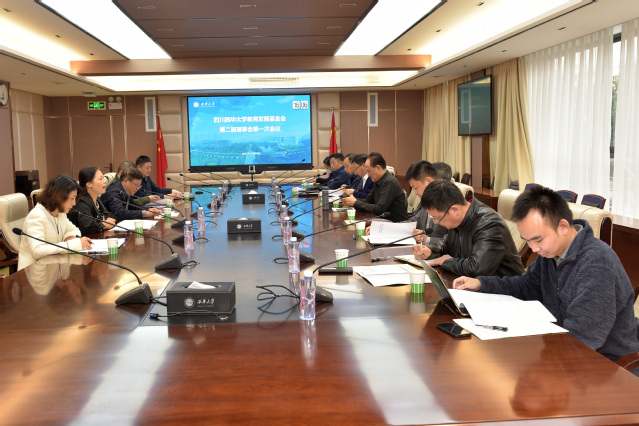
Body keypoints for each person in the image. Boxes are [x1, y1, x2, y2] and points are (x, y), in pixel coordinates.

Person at [453, 187, 639, 365]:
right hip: (561, 348)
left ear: (563, 226)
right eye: (527, 241)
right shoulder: (551, 253)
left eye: (538, 239)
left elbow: (581, 340)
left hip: (605, 366)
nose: (534, 249)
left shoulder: (596, 264)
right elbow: (525, 287)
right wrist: (481, 284)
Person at [413, 180, 524, 277]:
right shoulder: (457, 218)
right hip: (471, 284)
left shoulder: (489, 224)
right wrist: (431, 251)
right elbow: (447, 244)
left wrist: (446, 262)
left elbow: (477, 268)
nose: (436, 223)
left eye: (437, 218)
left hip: (502, 290)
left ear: (455, 210)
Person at [18, 174, 93, 270]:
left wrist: (69, 236)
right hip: (35, 272)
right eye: (72, 198)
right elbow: (37, 251)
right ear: (59, 196)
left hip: (54, 268)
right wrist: (72, 244)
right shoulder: (37, 215)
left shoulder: (60, 214)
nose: (74, 203)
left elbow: (74, 230)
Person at [342, 152, 409, 222]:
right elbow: (370, 200)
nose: (368, 175)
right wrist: (352, 201)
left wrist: (356, 203)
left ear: (378, 168)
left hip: (396, 223)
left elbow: (379, 209)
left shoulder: (389, 182)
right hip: (383, 221)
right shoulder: (378, 180)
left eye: (369, 171)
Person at [402, 161, 448, 245]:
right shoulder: (426, 200)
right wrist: (386, 229)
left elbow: (452, 243)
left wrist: (427, 240)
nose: (415, 193)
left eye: (416, 188)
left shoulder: (448, 201)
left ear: (428, 181)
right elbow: (413, 222)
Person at [69, 166, 117, 235]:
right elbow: (87, 226)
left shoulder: (96, 199)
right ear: (89, 184)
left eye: (103, 178)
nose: (104, 181)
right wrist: (104, 224)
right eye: (100, 179)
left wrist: (106, 221)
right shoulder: (81, 201)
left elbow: (110, 216)